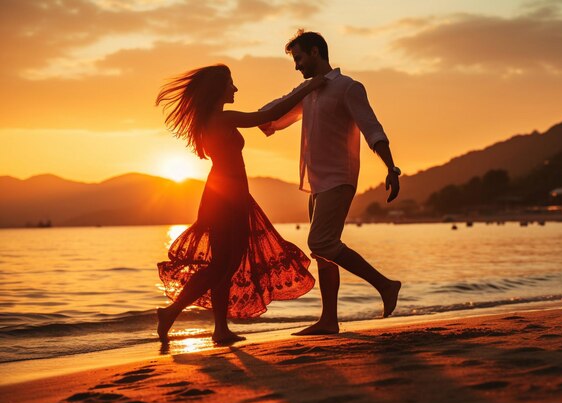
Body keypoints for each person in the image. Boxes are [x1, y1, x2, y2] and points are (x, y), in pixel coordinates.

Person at [155, 64, 325, 344]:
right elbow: (267, 115)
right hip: (226, 197)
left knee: (226, 265)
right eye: (231, 84)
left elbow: (266, 117)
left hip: (230, 195)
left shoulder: (214, 119)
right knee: (221, 265)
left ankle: (219, 329)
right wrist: (309, 87)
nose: (235, 89)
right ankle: (172, 312)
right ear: (217, 90)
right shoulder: (221, 119)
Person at [259, 30, 402, 335]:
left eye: (298, 58)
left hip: (339, 177)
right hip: (316, 182)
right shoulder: (308, 91)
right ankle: (329, 320)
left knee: (321, 242)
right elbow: (273, 114)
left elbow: (372, 129)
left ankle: (386, 285)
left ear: (314, 52)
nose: (297, 66)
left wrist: (391, 167)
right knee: (323, 251)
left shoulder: (348, 87)